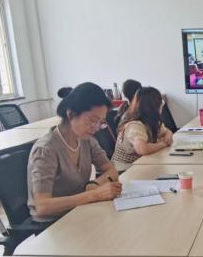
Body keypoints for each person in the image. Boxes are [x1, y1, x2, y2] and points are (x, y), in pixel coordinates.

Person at [27, 82, 122, 222]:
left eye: (101, 122)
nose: (96, 127)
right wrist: (94, 195)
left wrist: (94, 185)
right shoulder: (46, 149)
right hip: (53, 223)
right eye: (93, 120)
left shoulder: (87, 140)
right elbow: (42, 206)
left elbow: (111, 170)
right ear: (71, 113)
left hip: (78, 210)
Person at [112, 87, 173, 171]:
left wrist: (167, 137)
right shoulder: (135, 125)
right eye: (161, 103)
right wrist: (163, 144)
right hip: (124, 169)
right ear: (155, 107)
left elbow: (167, 131)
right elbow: (142, 149)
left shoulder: (152, 121)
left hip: (141, 164)